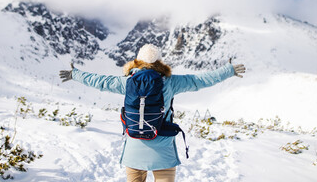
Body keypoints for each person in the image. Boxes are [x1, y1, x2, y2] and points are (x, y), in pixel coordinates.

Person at [59, 44, 246, 182]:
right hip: (163, 150)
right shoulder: (170, 82)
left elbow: (100, 81)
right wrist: (227, 71)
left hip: (134, 147)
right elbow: (199, 80)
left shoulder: (128, 82)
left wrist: (75, 74)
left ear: (137, 61)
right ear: (159, 61)